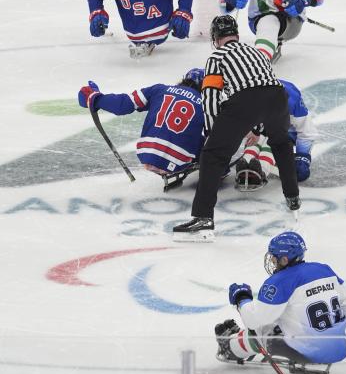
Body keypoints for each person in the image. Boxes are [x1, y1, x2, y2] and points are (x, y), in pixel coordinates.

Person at [172, 15, 300, 242]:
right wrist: (259, 126)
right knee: (281, 144)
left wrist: (213, 134)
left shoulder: (217, 56)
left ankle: (203, 218)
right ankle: (292, 198)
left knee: (212, 156)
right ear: (237, 34)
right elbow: (265, 87)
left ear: (215, 37)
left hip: (246, 100)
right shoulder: (255, 52)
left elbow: (210, 97)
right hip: (278, 97)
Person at [215, 231, 346, 374]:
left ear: (284, 259)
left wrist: (242, 298)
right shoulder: (324, 269)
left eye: (274, 258)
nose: (272, 262)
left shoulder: (280, 281)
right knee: (285, 315)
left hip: (307, 353)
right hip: (338, 349)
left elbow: (253, 321)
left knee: (263, 328)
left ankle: (232, 348)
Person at [78, 69, 205, 178]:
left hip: (146, 152)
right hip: (178, 160)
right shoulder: (206, 102)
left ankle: (156, 157)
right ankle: (221, 168)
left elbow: (123, 104)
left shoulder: (160, 89)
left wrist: (96, 99)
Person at [235, 79, 318, 191]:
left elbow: (306, 132)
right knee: (257, 139)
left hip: (285, 130)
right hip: (263, 122)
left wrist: (302, 158)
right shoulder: (250, 95)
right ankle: (248, 159)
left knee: (277, 143)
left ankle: (262, 168)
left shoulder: (293, 104)